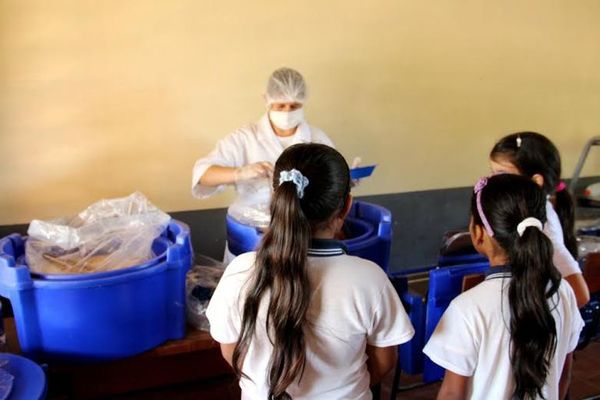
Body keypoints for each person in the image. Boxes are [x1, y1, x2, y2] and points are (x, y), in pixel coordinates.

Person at [206, 143, 414, 399]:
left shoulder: (240, 272)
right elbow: (383, 360)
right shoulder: (369, 279)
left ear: (275, 200)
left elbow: (232, 352)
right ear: (347, 206)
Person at [424, 174, 584, 400]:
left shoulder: (468, 308)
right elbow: (564, 375)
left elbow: (452, 394)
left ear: (478, 233)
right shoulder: (563, 292)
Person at [191, 67, 334, 230]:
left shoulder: (317, 139)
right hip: (251, 233)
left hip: (302, 230)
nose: (287, 112)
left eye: (294, 106)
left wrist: (345, 180)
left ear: (303, 102)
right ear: (267, 100)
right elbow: (203, 175)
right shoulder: (244, 138)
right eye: (280, 106)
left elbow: (329, 187)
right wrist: (240, 173)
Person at [489, 132, 590, 307]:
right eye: (492, 173)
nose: (493, 182)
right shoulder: (530, 215)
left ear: (536, 181)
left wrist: (532, 314)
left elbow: (580, 295)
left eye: (502, 174)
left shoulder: (542, 225)